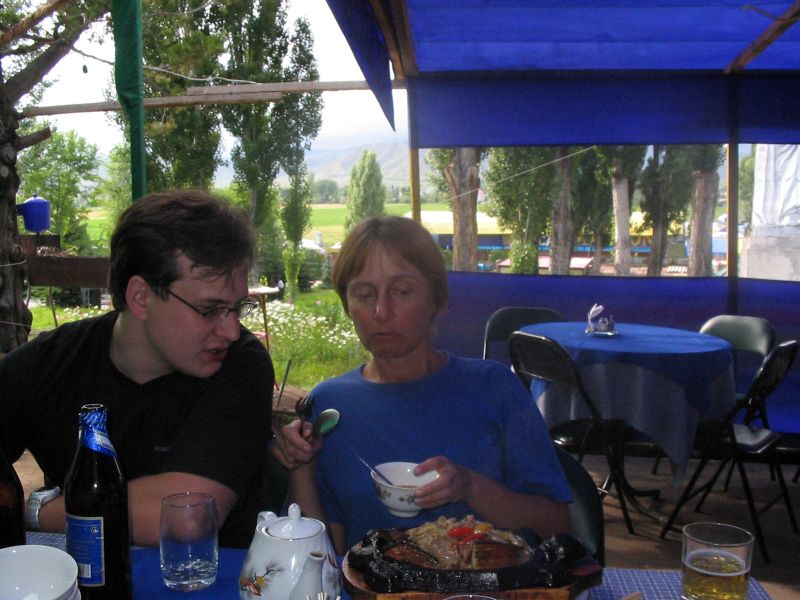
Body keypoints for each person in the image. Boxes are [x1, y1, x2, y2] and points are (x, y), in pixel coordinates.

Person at [272, 215, 572, 554]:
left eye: (402, 291)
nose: (381, 311)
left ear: (437, 300)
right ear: (347, 305)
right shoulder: (329, 407)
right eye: (364, 294)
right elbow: (324, 557)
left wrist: (471, 486)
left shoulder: (494, 388)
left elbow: (557, 526)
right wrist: (301, 465)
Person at [0, 189, 274, 548]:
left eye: (237, 308)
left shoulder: (241, 365)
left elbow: (188, 516)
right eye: (210, 310)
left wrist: (35, 512)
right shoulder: (50, 363)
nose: (232, 330)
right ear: (141, 297)